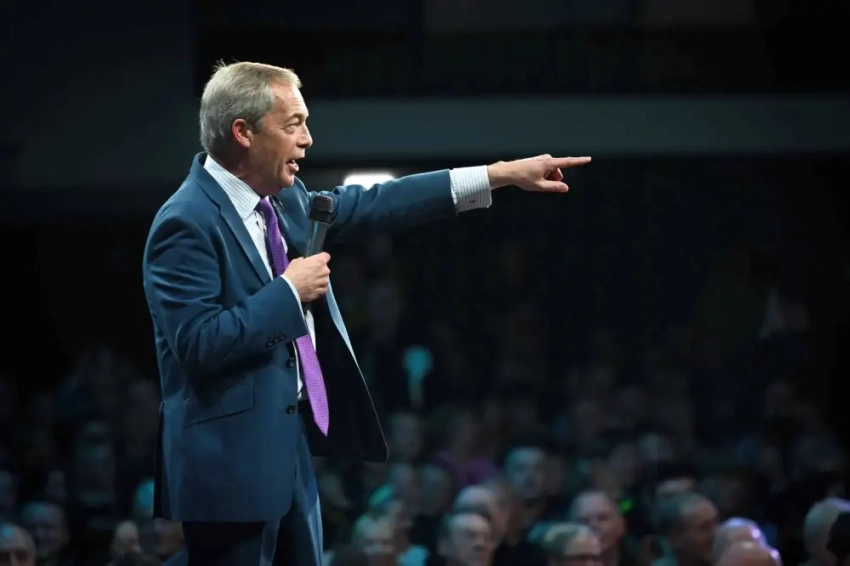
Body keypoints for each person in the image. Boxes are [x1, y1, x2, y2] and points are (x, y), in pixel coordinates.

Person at [142, 60, 591, 566]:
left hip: (288, 450)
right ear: (243, 132)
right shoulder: (185, 222)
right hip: (227, 466)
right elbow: (198, 344)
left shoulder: (285, 199)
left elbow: (379, 203)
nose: (307, 139)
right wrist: (288, 293)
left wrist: (500, 175)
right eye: (293, 124)